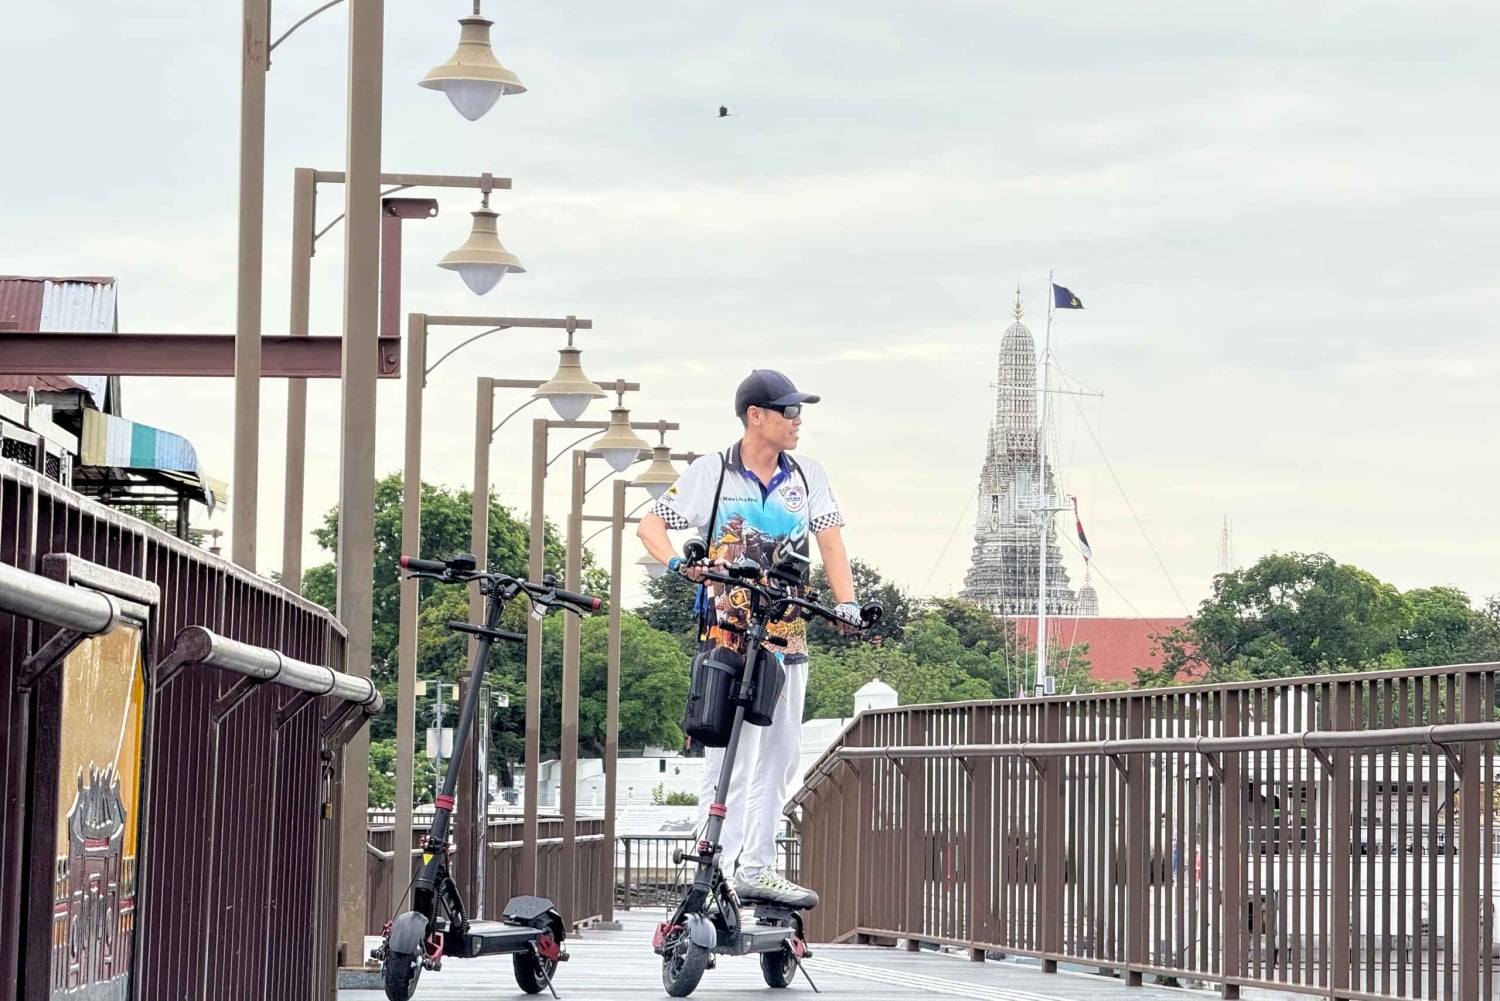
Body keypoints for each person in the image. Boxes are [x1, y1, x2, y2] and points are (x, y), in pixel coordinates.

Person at [637, 369, 861, 908]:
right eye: (788, 411)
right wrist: (678, 567)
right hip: (727, 639)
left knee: (780, 757)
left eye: (798, 411)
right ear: (755, 416)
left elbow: (830, 544)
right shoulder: (710, 473)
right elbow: (650, 526)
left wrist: (847, 602)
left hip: (787, 638)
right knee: (727, 759)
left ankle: (757, 867)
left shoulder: (808, 475)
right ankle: (709, 868)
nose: (797, 420)